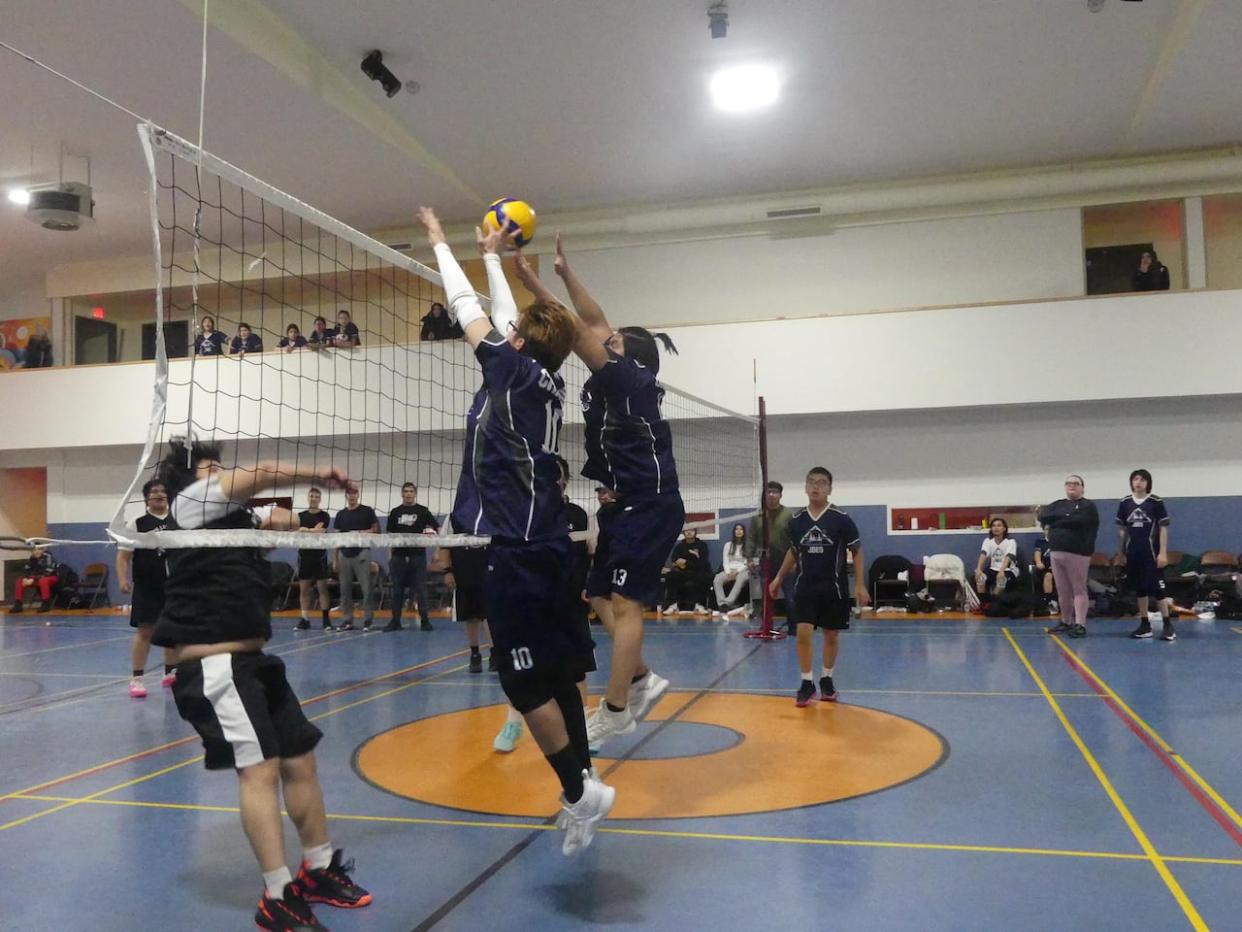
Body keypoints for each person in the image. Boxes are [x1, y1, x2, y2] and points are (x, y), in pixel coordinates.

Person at [420, 206, 613, 854]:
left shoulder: (509, 368)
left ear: (519, 343)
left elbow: (464, 305)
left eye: (513, 334)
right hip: (552, 548)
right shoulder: (548, 379)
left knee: (523, 682)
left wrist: (443, 244)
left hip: (522, 555)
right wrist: (497, 257)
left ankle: (579, 789)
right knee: (559, 677)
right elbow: (505, 315)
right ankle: (584, 789)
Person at [150, 439, 369, 930]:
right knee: (261, 770)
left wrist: (271, 521)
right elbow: (265, 471)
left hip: (253, 662)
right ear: (192, 481)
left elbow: (288, 524)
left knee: (299, 758)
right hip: (214, 666)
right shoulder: (191, 503)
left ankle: (318, 868)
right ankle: (277, 895)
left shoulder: (231, 522)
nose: (224, 474)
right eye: (212, 469)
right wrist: (323, 473)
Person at [514, 237, 681, 753]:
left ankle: (614, 712)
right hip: (625, 502)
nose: (604, 342)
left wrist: (535, 289)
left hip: (649, 503)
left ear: (631, 358)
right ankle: (643, 679)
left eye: (614, 343)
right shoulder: (617, 368)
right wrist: (561, 273)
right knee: (597, 594)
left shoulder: (627, 379)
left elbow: (576, 326)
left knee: (627, 607)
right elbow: (593, 317)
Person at [769, 467, 869, 706]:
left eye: (822, 483)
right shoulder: (797, 521)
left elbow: (856, 551)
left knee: (831, 635)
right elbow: (794, 552)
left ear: (829, 489)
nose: (816, 486)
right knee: (803, 634)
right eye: (812, 482)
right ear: (805, 487)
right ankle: (806, 682)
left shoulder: (841, 519)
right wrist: (778, 578)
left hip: (834, 588)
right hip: (805, 587)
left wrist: (861, 585)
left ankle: (826, 678)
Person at [116, 479, 177, 697]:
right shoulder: (137, 523)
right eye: (154, 491)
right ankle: (137, 679)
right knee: (145, 632)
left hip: (173, 586)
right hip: (147, 585)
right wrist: (123, 579)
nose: (159, 494)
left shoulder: (178, 521)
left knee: (172, 631)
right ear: (146, 498)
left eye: (163, 491)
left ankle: (170, 673)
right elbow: (123, 556)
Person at [1038, 475, 1100, 639]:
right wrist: (1064, 518)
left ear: (1082, 488)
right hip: (1056, 552)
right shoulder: (1057, 504)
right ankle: (1066, 621)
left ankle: (1080, 624)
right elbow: (1043, 516)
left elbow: (1078, 521)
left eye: (1076, 483)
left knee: (1078, 589)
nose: (1072, 486)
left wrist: (1057, 520)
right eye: (1068, 483)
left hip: (1078, 553)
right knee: (1063, 591)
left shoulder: (1088, 506)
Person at [1116, 468, 1175, 641]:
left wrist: (1163, 552)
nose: (1138, 482)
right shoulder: (1125, 503)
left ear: (1148, 483)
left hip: (1152, 552)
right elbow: (1122, 530)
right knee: (1140, 589)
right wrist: (1121, 553)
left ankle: (1167, 625)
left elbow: (1163, 528)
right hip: (1134, 553)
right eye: (1135, 479)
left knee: (1158, 589)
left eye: (1142, 479)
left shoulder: (1155, 502)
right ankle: (1144, 624)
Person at [385, 482, 440, 632]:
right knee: (397, 591)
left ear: (415, 494)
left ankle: (425, 621)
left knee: (421, 590)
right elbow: (390, 536)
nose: (408, 494)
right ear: (402, 494)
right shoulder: (395, 512)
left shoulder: (422, 511)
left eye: (411, 491)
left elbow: (438, 527)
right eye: (406, 491)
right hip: (399, 557)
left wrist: (437, 550)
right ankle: (395, 621)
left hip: (418, 556)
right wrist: (390, 556)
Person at [746, 481, 796, 634]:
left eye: (775, 492)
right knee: (767, 598)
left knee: (791, 597)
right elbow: (751, 538)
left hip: (786, 563)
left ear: (780, 495)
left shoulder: (788, 515)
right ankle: (767, 626)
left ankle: (793, 628)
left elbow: (796, 539)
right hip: (766, 562)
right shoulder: (758, 517)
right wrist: (749, 558)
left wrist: (795, 561)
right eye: (769, 492)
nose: (772, 495)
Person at [332, 486, 378, 631]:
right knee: (345, 590)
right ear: (346, 496)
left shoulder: (367, 511)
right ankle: (347, 620)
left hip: (361, 553)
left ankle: (368, 620)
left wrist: (360, 533)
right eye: (349, 494)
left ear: (358, 495)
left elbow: (376, 530)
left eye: (354, 493)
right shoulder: (340, 514)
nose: (352, 496)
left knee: (367, 589)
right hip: (344, 554)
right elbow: (336, 538)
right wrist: (335, 558)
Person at [294, 488, 333, 632]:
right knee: (304, 590)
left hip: (319, 557)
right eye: (312, 495)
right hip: (304, 556)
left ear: (320, 499)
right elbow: (296, 531)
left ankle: (326, 620)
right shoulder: (299, 515)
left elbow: (320, 531)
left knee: (322, 589)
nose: (314, 498)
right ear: (308, 497)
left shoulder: (324, 515)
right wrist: (307, 530)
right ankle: (305, 619)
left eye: (317, 496)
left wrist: (306, 530)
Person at [662, 528, 712, 615]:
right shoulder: (679, 546)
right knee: (671, 575)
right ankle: (672, 605)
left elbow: (702, 562)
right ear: (684, 533)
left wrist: (686, 562)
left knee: (704, 577)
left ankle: (700, 605)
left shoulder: (702, 545)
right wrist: (680, 564)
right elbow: (674, 559)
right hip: (683, 572)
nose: (689, 532)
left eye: (691, 530)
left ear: (695, 532)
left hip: (698, 571)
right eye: (687, 531)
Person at [713, 523, 751, 618]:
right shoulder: (728, 545)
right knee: (717, 579)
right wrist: (728, 572)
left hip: (743, 570)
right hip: (729, 570)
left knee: (740, 579)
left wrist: (737, 571)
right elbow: (725, 561)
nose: (738, 531)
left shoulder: (748, 545)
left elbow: (747, 562)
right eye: (736, 529)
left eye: (741, 529)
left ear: (744, 532)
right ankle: (722, 604)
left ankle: (727, 603)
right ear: (734, 532)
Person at [974, 518, 1019, 596]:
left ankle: (994, 602)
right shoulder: (988, 541)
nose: (996, 528)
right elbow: (983, 554)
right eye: (994, 526)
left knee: (1001, 580)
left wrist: (1001, 571)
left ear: (1004, 528)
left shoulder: (1011, 542)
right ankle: (983, 602)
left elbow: (1008, 557)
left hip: (1008, 570)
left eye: (999, 525)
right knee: (980, 578)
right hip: (993, 570)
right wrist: (978, 569)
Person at [10, 546, 61, 614]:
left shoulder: (49, 558)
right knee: (20, 581)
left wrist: (33, 579)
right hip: (35, 579)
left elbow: (48, 572)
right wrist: (25, 578)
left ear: (43, 550)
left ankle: (46, 604)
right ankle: (18, 604)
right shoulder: (31, 559)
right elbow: (26, 570)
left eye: (39, 549)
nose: (37, 552)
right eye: (34, 550)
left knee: (43, 581)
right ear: (32, 551)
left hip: (51, 577)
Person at [1031, 534, 1058, 614]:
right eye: (1046, 529)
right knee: (1048, 575)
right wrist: (1038, 562)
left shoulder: (1060, 541)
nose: (1049, 531)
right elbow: (1037, 555)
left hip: (1059, 569)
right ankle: (1049, 602)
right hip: (1045, 569)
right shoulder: (1040, 542)